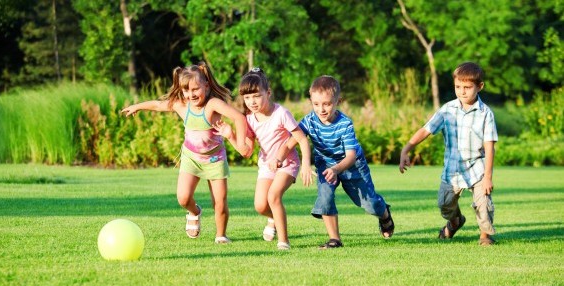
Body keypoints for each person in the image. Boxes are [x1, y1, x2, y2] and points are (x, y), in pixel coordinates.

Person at [121, 62, 249, 244]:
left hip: (214, 160)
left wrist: (242, 143)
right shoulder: (182, 105)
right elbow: (158, 105)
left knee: (220, 203)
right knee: (183, 198)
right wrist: (137, 106)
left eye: (195, 89)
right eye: (186, 90)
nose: (191, 94)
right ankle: (194, 211)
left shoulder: (213, 104)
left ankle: (221, 235)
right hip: (191, 158)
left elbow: (239, 118)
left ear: (206, 84)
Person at [288, 75, 394, 249]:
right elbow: (294, 140)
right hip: (324, 164)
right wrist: (278, 157)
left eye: (327, 104)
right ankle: (334, 239)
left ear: (338, 101)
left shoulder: (345, 124)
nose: (321, 109)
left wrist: (336, 170)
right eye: (316, 104)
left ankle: (385, 215)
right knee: (325, 196)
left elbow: (351, 156)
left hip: (352, 166)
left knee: (370, 204)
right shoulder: (309, 121)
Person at [399, 61, 498, 246]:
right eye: (458, 87)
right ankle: (455, 222)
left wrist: (488, 177)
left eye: (467, 87)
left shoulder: (486, 114)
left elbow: (490, 146)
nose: (462, 91)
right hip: (452, 169)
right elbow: (426, 130)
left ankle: (485, 235)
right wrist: (406, 149)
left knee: (483, 204)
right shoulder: (447, 109)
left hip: (477, 168)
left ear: (480, 86)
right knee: (445, 205)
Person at [213, 67, 313, 250]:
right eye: (247, 97)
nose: (252, 101)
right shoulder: (249, 120)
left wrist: (306, 164)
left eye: (256, 96)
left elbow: (301, 139)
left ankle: (284, 242)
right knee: (260, 205)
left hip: (287, 164)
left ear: (268, 93)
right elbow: (246, 151)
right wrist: (230, 136)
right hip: (267, 165)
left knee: (273, 197)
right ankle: (273, 219)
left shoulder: (281, 113)